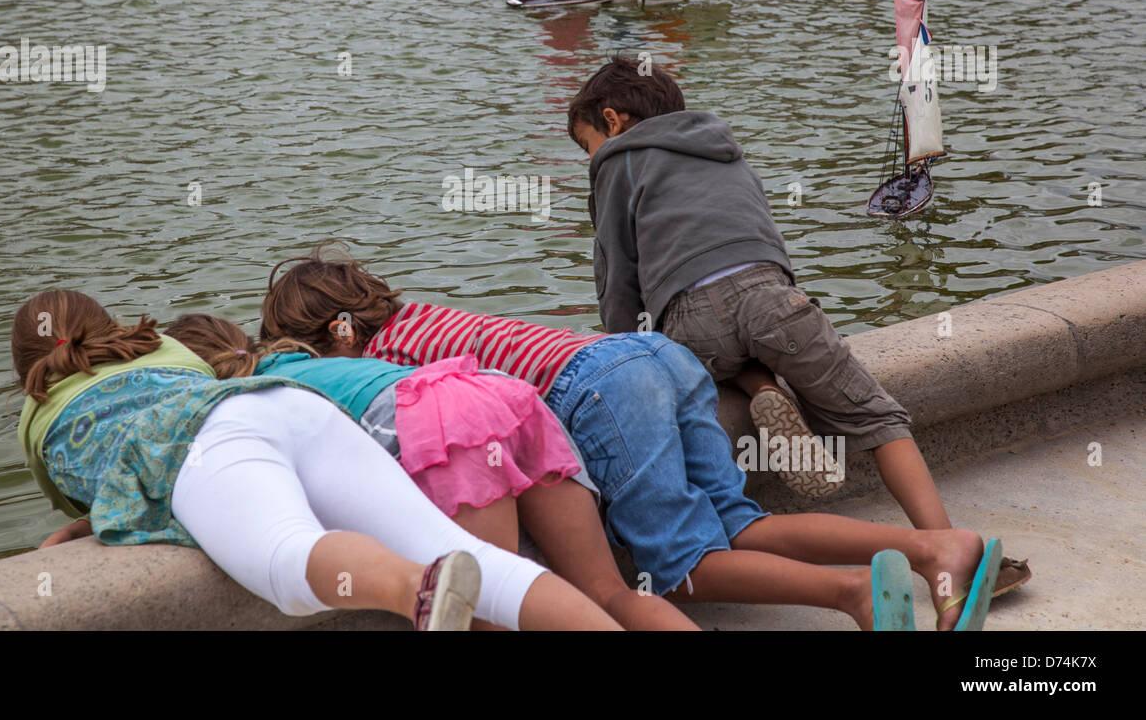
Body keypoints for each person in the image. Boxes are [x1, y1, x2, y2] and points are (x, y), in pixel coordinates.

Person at [260, 248, 1003, 629]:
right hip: (651, 358)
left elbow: (439, 431)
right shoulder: (423, 313)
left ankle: (853, 597)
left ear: (337, 332)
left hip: (601, 388)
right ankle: (934, 548)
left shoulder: (384, 359)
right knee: (740, 527)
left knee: (683, 568)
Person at [564, 54, 1030, 597]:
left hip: (691, 318)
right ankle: (951, 551)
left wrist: (626, 353)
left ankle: (757, 386)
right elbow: (767, 243)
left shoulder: (618, 162)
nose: (590, 158)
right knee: (878, 417)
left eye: (586, 143)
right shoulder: (724, 149)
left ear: (613, 120)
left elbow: (619, 277)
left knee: (685, 355)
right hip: (774, 298)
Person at [13, 289, 621, 631]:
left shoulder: (39, 417)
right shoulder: (162, 345)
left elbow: (119, 496)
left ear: (27, 375)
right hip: (294, 408)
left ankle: (417, 588)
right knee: (485, 564)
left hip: (204, 445)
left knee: (287, 558)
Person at [163, 313, 698, 631]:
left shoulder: (251, 401)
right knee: (605, 590)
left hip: (447, 425)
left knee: (489, 610)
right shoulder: (314, 362)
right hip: (498, 394)